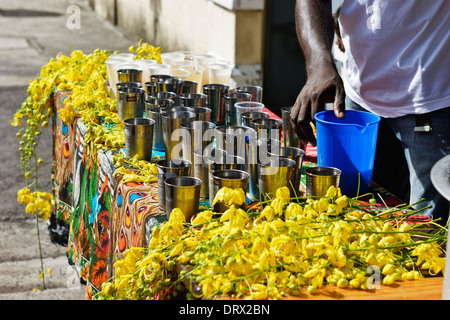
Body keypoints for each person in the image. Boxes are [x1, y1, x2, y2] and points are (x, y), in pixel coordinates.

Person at [291, 0, 450, 225]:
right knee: (350, 216)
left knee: (422, 234)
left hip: (430, 103)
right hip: (358, 98)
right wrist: (318, 64)